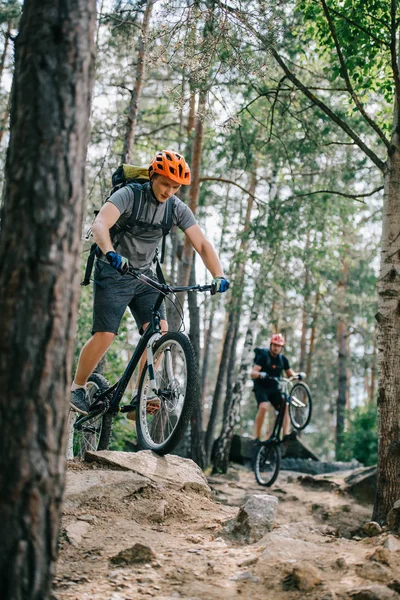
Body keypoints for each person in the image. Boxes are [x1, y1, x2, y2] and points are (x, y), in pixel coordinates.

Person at [70, 149, 230, 415]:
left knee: (159, 333)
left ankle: (139, 396)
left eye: (175, 187)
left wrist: (219, 274)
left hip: (145, 276)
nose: (169, 191)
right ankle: (76, 388)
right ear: (153, 176)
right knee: (106, 335)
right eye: (165, 183)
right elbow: (100, 224)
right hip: (114, 271)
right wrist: (110, 253)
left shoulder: (176, 208)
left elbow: (201, 243)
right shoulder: (130, 194)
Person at [250, 333, 297, 443]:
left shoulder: (283, 360)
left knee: (285, 406)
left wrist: (298, 376)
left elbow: (290, 374)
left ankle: (285, 435)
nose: (276, 348)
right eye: (274, 345)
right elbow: (253, 372)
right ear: (271, 345)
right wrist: (260, 374)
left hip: (274, 389)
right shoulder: (263, 357)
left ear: (281, 347)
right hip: (261, 388)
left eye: (279, 346)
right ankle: (256, 437)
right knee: (264, 406)